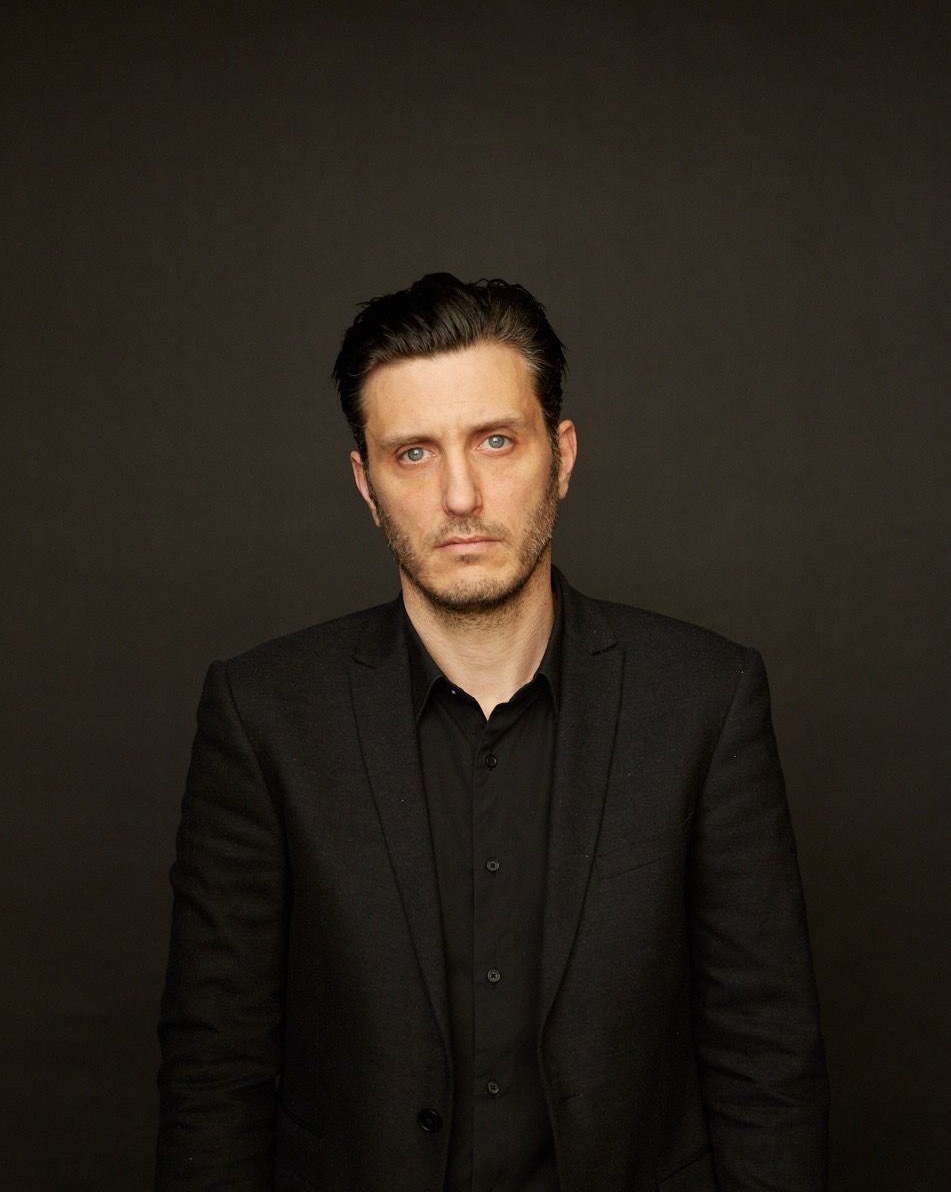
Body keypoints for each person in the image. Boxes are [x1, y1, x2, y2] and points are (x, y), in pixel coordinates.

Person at [156, 273, 829, 1191]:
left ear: (562, 456)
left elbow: (766, 1057)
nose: (460, 495)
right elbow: (215, 1070)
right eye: (413, 454)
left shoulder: (705, 699)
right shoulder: (262, 712)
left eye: (495, 441)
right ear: (365, 484)